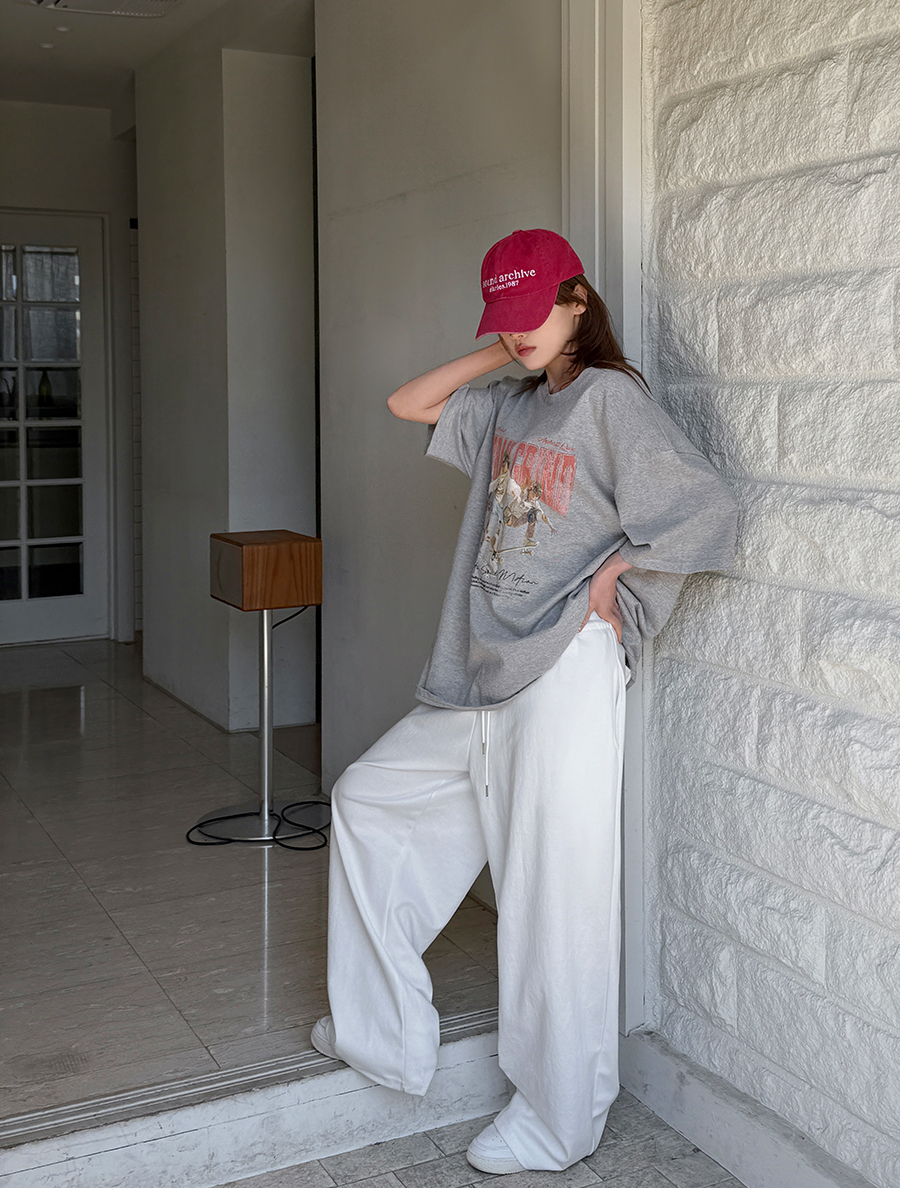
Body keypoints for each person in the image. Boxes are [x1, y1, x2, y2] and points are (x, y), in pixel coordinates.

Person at [311, 228, 739, 1174]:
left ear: (579, 300)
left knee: (552, 888)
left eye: (535, 311)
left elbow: (709, 511)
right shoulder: (511, 403)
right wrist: (501, 351)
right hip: (485, 669)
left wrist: (615, 577)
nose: (520, 333)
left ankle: (558, 1118)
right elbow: (408, 402)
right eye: (505, 318)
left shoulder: (610, 401)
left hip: (568, 665)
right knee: (370, 801)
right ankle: (383, 1035)